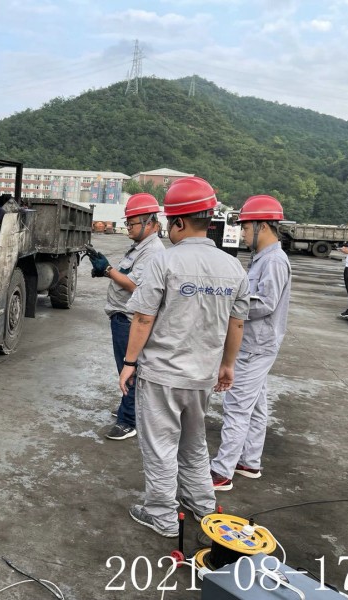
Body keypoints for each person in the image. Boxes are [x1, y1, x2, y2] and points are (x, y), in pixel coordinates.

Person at [118, 176, 250, 538]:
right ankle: (202, 504)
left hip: (163, 374)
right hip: (203, 375)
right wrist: (227, 365)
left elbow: (143, 318)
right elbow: (237, 323)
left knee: (161, 446)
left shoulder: (165, 261)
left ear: (178, 222)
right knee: (193, 442)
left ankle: (161, 514)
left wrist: (129, 363)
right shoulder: (233, 267)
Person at [210, 196, 291, 491]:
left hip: (255, 346)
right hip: (259, 343)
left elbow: (265, 303)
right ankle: (249, 461)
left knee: (237, 407)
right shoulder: (263, 258)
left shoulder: (274, 261)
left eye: (245, 227)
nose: (242, 233)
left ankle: (222, 472)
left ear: (262, 226)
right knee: (256, 405)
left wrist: (229, 305)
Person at [89, 193, 165, 441]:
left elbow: (134, 286)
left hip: (130, 318)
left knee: (130, 368)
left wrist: (108, 269)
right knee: (126, 368)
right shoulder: (139, 247)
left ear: (150, 223)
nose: (128, 227)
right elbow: (125, 274)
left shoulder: (152, 251)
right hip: (122, 315)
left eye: (132, 223)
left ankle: (128, 420)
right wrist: (106, 271)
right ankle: (128, 407)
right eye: (128, 223)